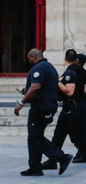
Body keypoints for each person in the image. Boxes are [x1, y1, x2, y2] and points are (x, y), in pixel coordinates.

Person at [13, 48, 72, 176]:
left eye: (29, 58)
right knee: (34, 136)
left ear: (33, 56)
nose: (29, 61)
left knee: (36, 137)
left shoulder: (38, 68)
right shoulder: (50, 67)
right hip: (49, 105)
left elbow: (35, 87)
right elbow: (43, 86)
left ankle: (61, 157)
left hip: (41, 107)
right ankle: (35, 167)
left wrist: (21, 103)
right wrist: (27, 91)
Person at [42, 49, 86, 169]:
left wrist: (57, 83)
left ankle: (53, 160)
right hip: (78, 106)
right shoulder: (81, 71)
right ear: (76, 59)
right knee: (79, 132)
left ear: (65, 59)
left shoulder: (70, 72)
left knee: (59, 134)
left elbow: (69, 91)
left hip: (70, 108)